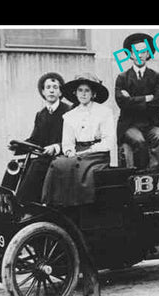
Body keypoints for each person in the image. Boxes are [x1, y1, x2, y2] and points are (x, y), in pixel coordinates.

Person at [41, 73, 117, 207]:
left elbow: (109, 141)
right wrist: (70, 152)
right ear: (75, 93)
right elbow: (68, 142)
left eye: (87, 90)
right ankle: (54, 204)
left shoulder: (104, 112)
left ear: (93, 94)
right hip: (78, 153)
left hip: (98, 155)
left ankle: (81, 206)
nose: (83, 94)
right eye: (80, 90)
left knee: (77, 166)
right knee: (57, 163)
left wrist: (89, 150)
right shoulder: (70, 116)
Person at [11, 72, 71, 202]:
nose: (51, 91)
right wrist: (17, 146)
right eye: (48, 87)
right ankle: (8, 199)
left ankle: (20, 203)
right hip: (45, 157)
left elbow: (74, 139)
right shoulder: (41, 114)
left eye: (55, 88)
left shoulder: (68, 112)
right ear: (43, 92)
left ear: (60, 93)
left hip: (63, 157)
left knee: (37, 166)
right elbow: (35, 139)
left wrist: (57, 147)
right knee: (17, 165)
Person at [115, 32, 159, 171]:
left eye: (143, 51)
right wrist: (147, 98)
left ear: (148, 54)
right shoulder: (122, 77)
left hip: (151, 123)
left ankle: (153, 174)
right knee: (139, 141)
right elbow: (122, 103)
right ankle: (139, 175)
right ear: (131, 54)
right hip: (130, 124)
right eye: (136, 52)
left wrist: (132, 100)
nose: (140, 55)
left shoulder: (156, 77)